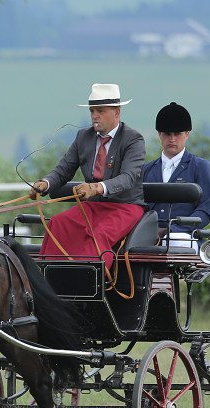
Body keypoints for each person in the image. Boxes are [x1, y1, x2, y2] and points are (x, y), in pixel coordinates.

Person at [29, 83, 146, 270]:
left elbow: (129, 177)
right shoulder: (83, 137)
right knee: (58, 224)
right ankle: (49, 282)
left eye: (100, 111)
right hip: (92, 207)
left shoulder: (133, 139)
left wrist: (97, 188)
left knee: (99, 234)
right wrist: (46, 183)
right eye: (92, 111)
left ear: (117, 112)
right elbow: (63, 169)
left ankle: (88, 285)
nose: (94, 116)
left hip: (126, 207)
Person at [142, 102, 210, 249]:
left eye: (177, 134)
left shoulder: (201, 167)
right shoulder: (145, 170)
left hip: (184, 235)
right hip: (148, 235)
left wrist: (173, 229)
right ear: (159, 134)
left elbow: (206, 209)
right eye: (167, 134)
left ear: (187, 134)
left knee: (174, 240)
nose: (172, 139)